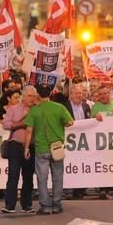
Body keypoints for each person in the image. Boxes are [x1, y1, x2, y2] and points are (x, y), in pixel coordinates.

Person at [23, 84, 73, 215]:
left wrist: (26, 148)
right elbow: (70, 122)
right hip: (56, 147)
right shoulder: (59, 107)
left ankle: (45, 206)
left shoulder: (34, 110)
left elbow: (29, 131)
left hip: (41, 148)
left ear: (38, 94)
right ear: (51, 93)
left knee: (42, 178)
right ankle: (57, 204)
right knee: (58, 177)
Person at [1, 86, 38, 213]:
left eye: (33, 96)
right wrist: (21, 123)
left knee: (28, 176)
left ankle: (27, 204)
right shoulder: (14, 109)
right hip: (15, 146)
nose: (32, 99)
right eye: (29, 96)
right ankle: (9, 205)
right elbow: (5, 125)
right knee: (13, 175)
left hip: (31, 146)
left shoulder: (37, 110)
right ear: (23, 96)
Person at [63, 84, 94, 199]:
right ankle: (69, 190)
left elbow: (89, 121)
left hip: (83, 142)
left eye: (80, 93)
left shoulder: (86, 106)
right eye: (76, 93)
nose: (79, 95)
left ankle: (80, 189)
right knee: (70, 165)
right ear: (70, 95)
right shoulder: (64, 107)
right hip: (69, 142)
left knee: (82, 164)